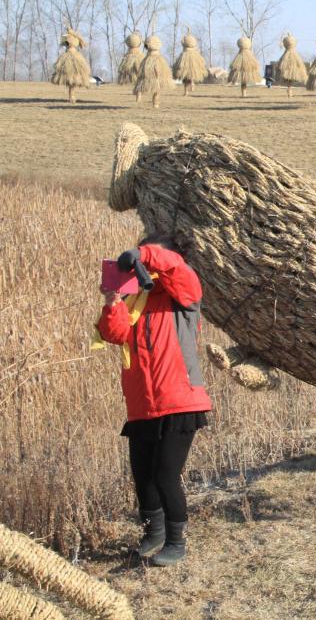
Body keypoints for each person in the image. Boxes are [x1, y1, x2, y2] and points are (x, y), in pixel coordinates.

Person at [94, 235, 211, 566]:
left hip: (180, 399)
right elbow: (113, 335)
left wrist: (144, 254)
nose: (143, 264)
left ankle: (176, 541)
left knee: (165, 474)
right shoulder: (135, 301)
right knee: (142, 474)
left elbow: (176, 268)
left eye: (148, 258)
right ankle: (153, 535)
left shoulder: (182, 295)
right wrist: (113, 301)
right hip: (142, 403)